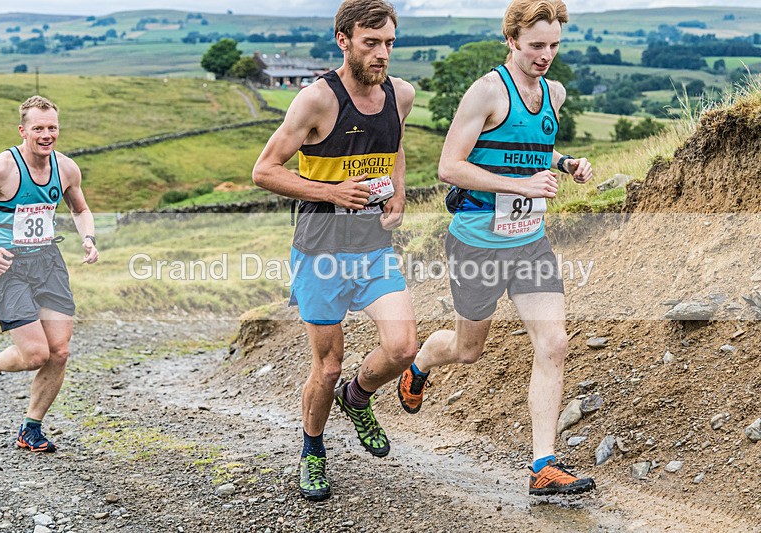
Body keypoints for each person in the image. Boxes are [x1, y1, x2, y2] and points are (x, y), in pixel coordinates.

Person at [397, 0, 596, 496]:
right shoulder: (486, 91)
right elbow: (449, 166)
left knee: (554, 344)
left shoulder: (555, 92)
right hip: (477, 243)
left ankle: (542, 466)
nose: (545, 55)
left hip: (530, 244)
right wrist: (523, 187)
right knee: (469, 349)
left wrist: (565, 161)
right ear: (511, 40)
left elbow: (528, 147)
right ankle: (421, 362)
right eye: (535, 46)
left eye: (553, 45)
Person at [253, 0, 417, 501]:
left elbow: (395, 148)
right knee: (326, 366)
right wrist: (329, 192)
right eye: (372, 43)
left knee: (404, 348)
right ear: (343, 40)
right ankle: (312, 449)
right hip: (320, 251)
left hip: (372, 246)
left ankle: (358, 397)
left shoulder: (402, 95)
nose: (382, 53)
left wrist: (400, 194)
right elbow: (264, 171)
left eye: (389, 42)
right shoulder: (316, 100)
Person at [0, 95, 98, 453]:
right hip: (8, 267)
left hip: (48, 262)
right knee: (36, 354)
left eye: (52, 127)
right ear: (23, 130)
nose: (46, 134)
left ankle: (31, 428)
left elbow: (80, 208)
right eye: (38, 128)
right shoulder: (1, 168)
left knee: (60, 351)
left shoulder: (66, 168)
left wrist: (88, 238)